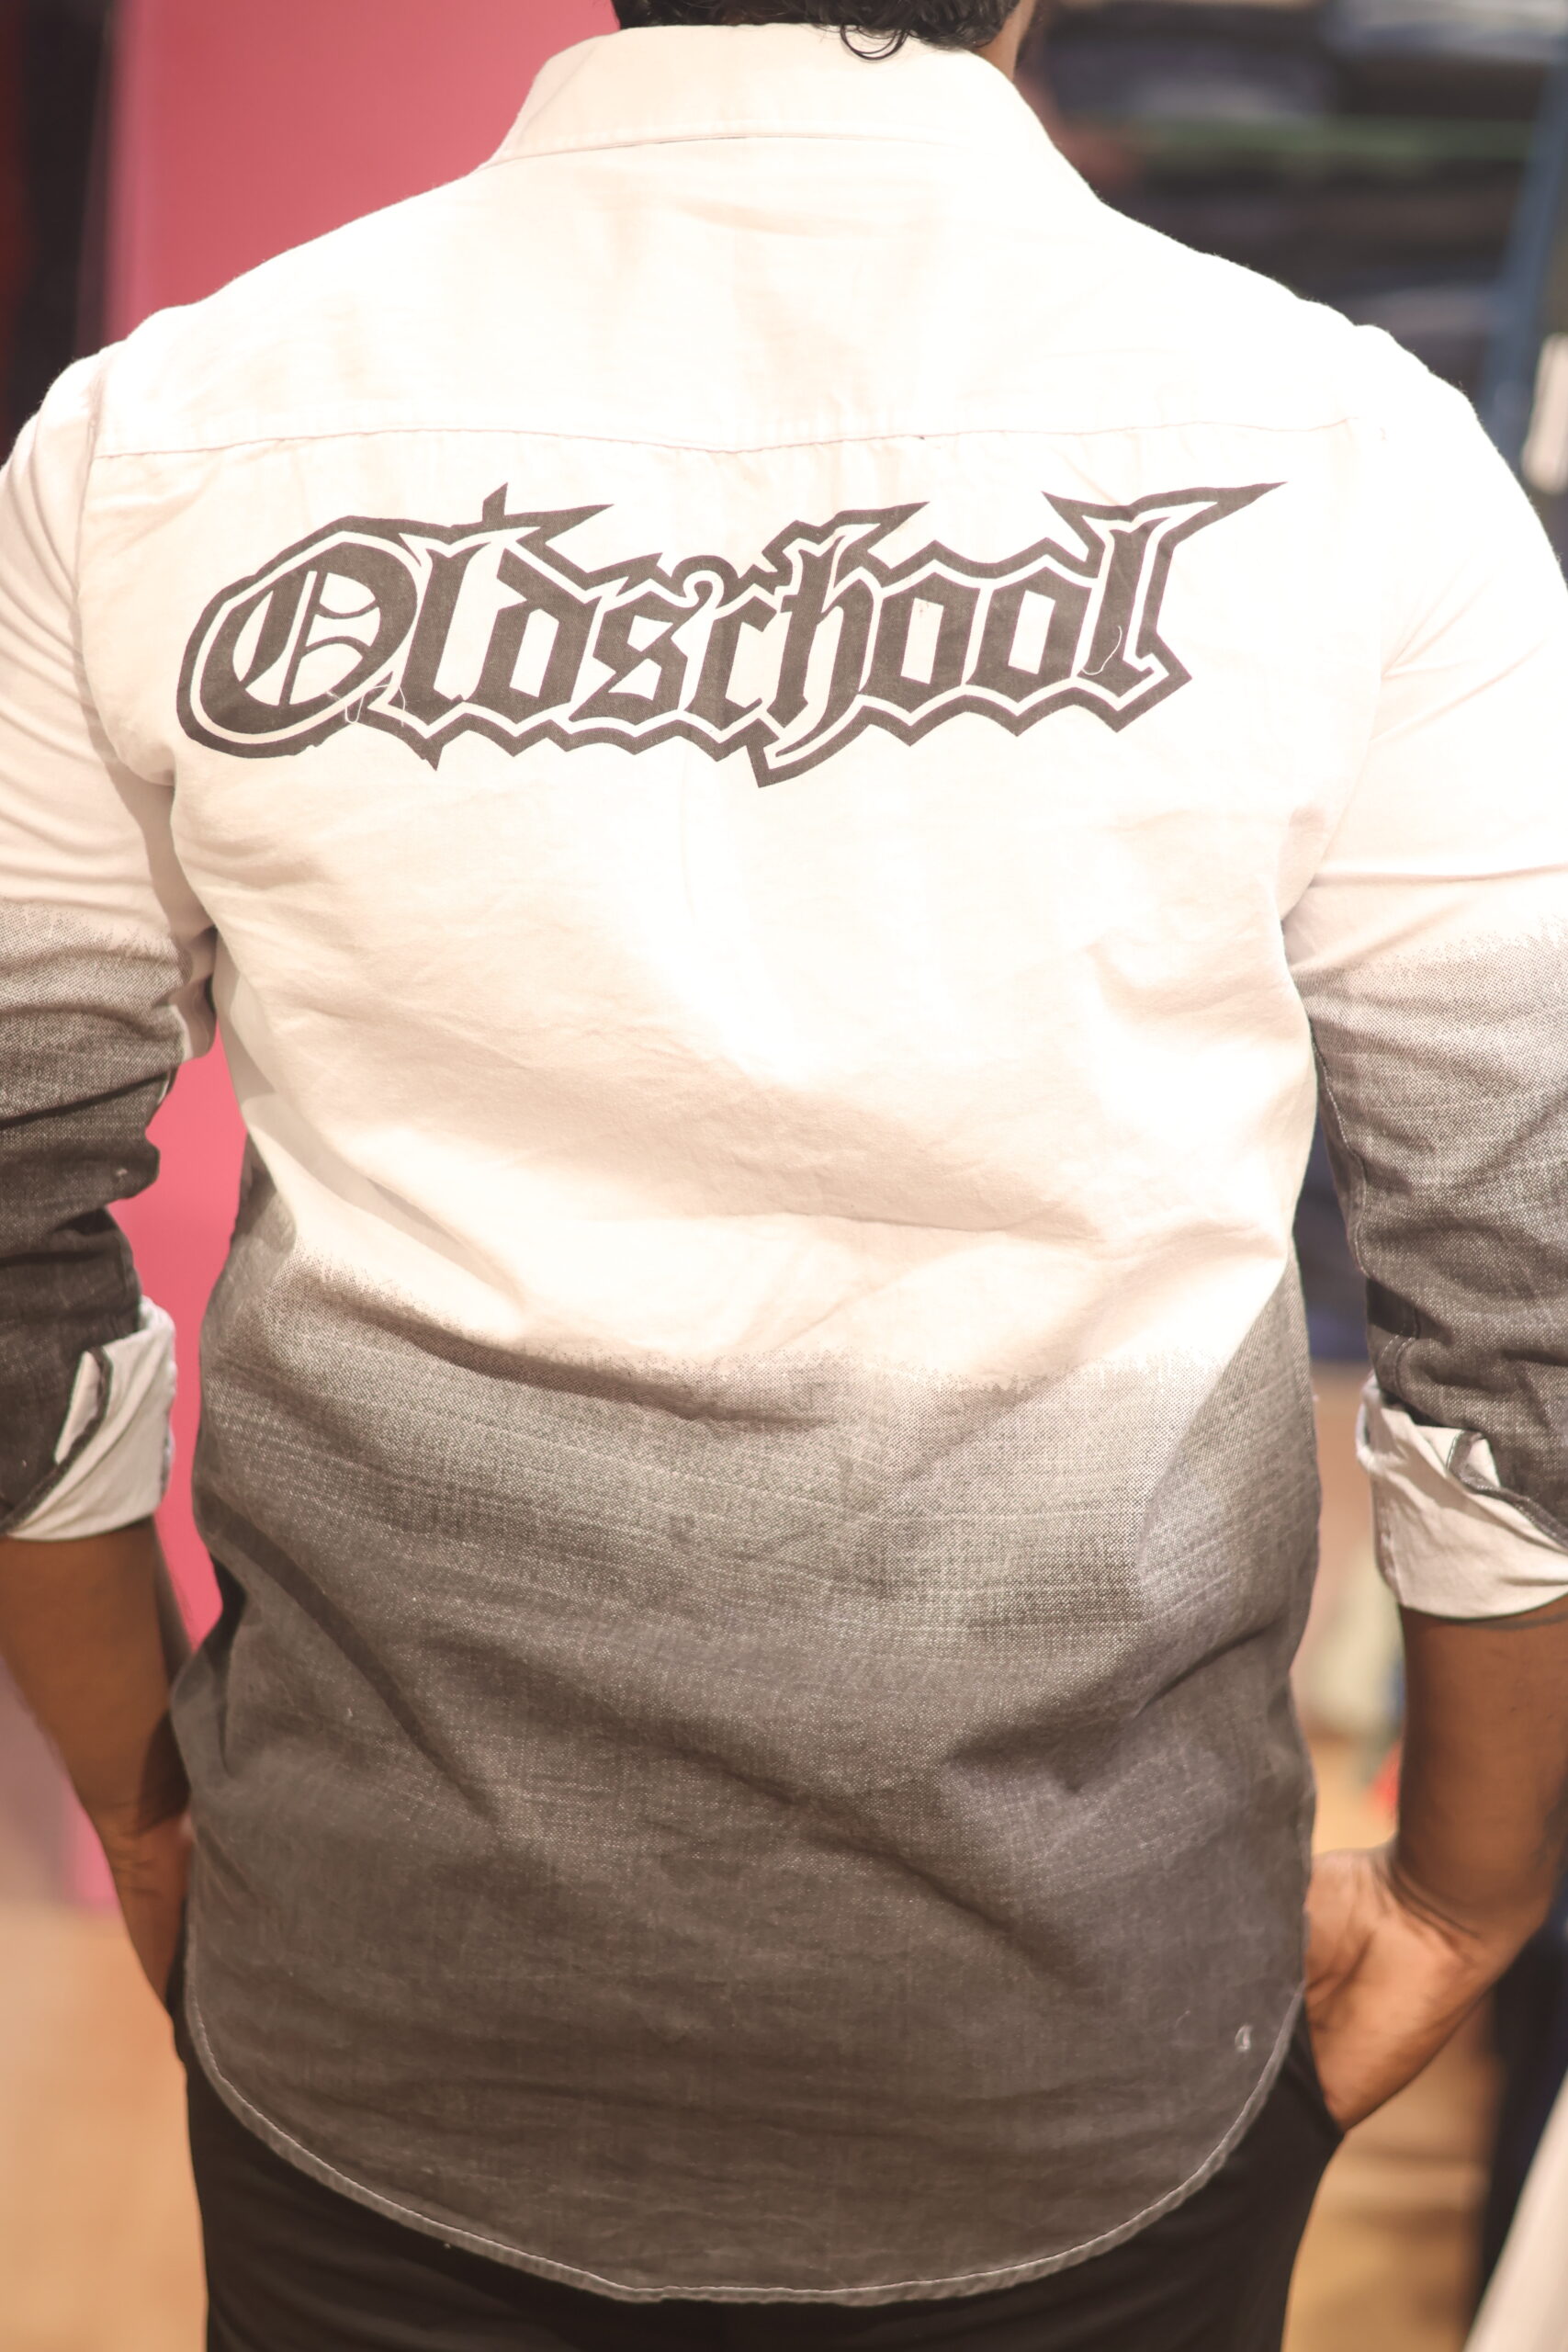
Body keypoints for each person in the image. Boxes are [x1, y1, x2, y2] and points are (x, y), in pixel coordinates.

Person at [2, 4, 1566, 2346]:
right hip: (1082, 2040)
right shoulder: (1354, 460)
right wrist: (1459, 1884)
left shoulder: (160, 441)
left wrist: (143, 1796)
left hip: (380, 1995)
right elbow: (1524, 1283)